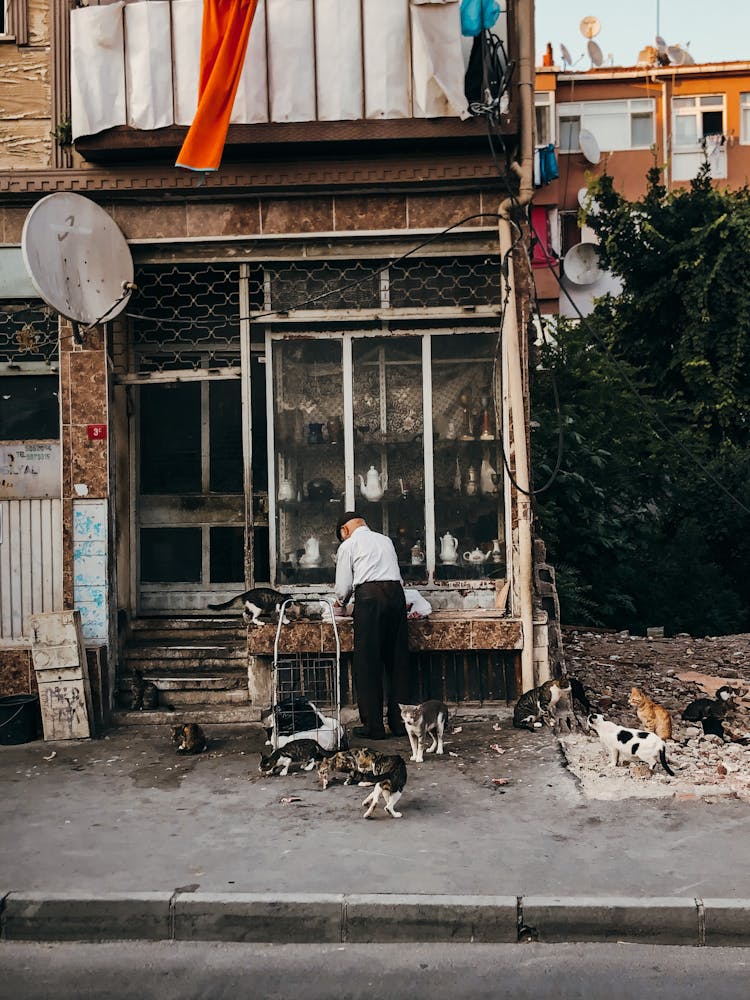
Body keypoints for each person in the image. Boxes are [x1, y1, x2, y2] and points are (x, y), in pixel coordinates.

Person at [334, 512, 411, 740]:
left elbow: (343, 587)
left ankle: (374, 727)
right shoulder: (385, 540)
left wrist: (340, 602)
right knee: (398, 661)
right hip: (396, 597)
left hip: (369, 599)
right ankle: (399, 724)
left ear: (345, 531)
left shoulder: (349, 545)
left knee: (367, 664)